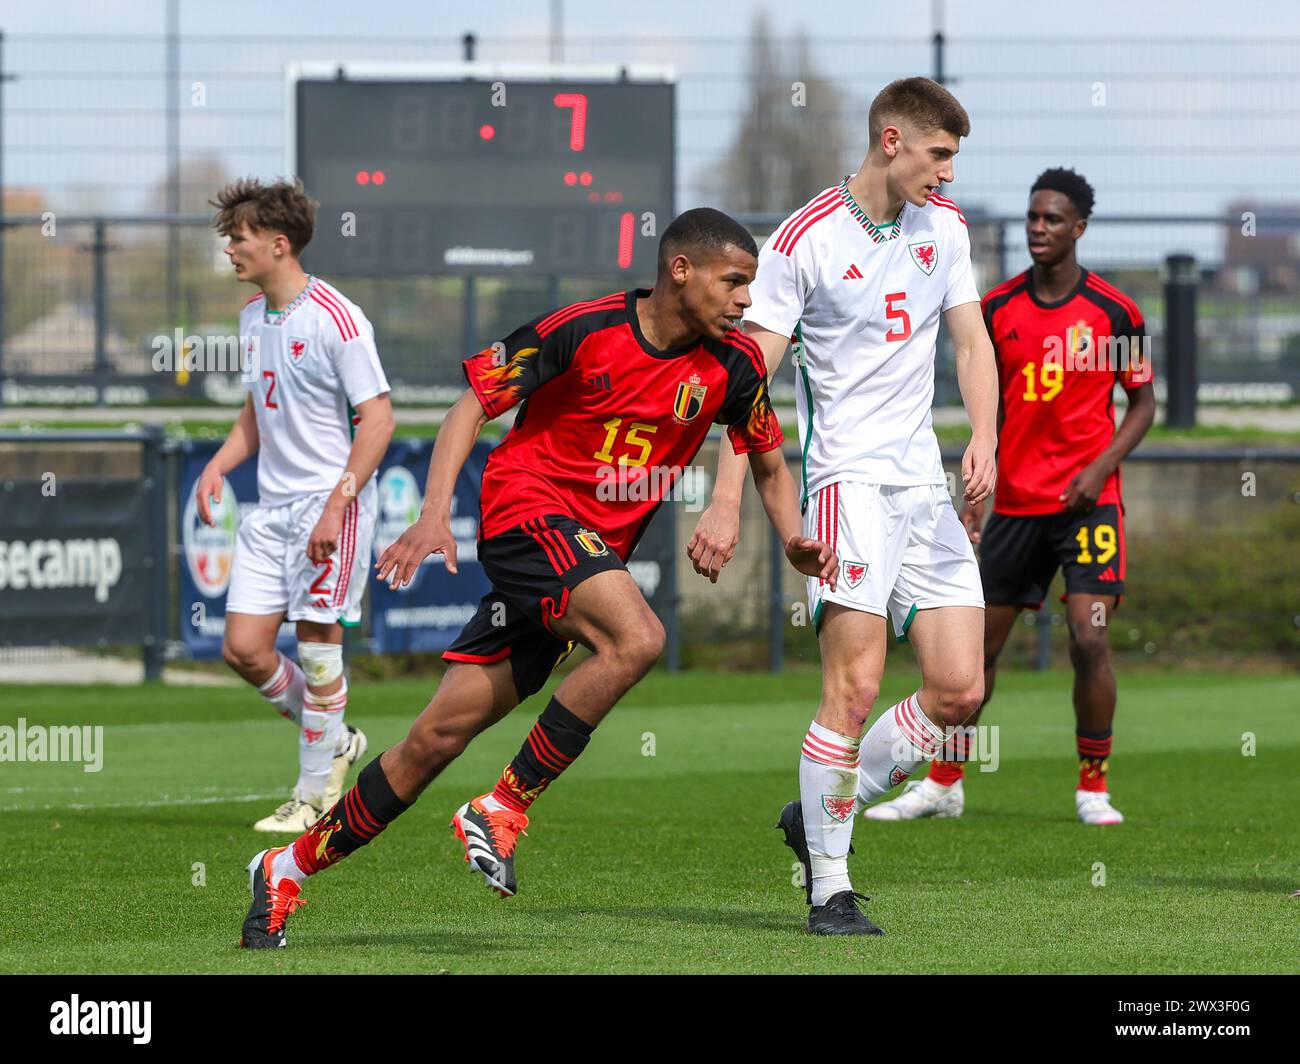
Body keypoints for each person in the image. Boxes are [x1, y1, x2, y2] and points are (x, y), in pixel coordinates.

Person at [239, 207, 839, 949]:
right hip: (525, 512)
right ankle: (503, 808)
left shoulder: (737, 365)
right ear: (681, 270)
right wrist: (433, 514)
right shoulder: (582, 329)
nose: (748, 299)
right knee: (638, 638)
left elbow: (771, 462)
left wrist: (792, 538)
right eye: (735, 281)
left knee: (435, 738)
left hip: (584, 557)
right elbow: (471, 407)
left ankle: (285, 868)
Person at [689, 77, 998, 935]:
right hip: (844, 487)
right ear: (892, 140)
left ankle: (820, 808)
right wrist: (725, 501)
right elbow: (746, 380)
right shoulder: (804, 239)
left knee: (960, 689)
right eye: (939, 156)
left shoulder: (948, 229)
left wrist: (985, 436)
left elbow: (972, 341)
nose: (947, 175)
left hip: (922, 486)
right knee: (854, 691)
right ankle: (829, 886)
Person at [865, 168, 1154, 826]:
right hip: (1014, 508)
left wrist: (1100, 466)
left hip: (1088, 506)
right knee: (974, 655)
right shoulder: (995, 310)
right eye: (1032, 217)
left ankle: (1093, 786)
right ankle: (943, 784)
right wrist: (980, 480)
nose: (1038, 229)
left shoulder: (1117, 312)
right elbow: (981, 400)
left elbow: (1144, 403)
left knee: (1089, 638)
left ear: (1079, 227)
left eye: (1053, 219)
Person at [198, 178, 393, 832]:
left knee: (316, 644)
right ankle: (333, 737)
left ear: (279, 244)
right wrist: (218, 468)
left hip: (324, 506)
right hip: (269, 513)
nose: (230, 249)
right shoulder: (253, 317)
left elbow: (379, 420)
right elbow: (256, 416)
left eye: (240, 237)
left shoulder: (337, 317)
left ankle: (314, 798)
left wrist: (337, 506)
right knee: (244, 649)